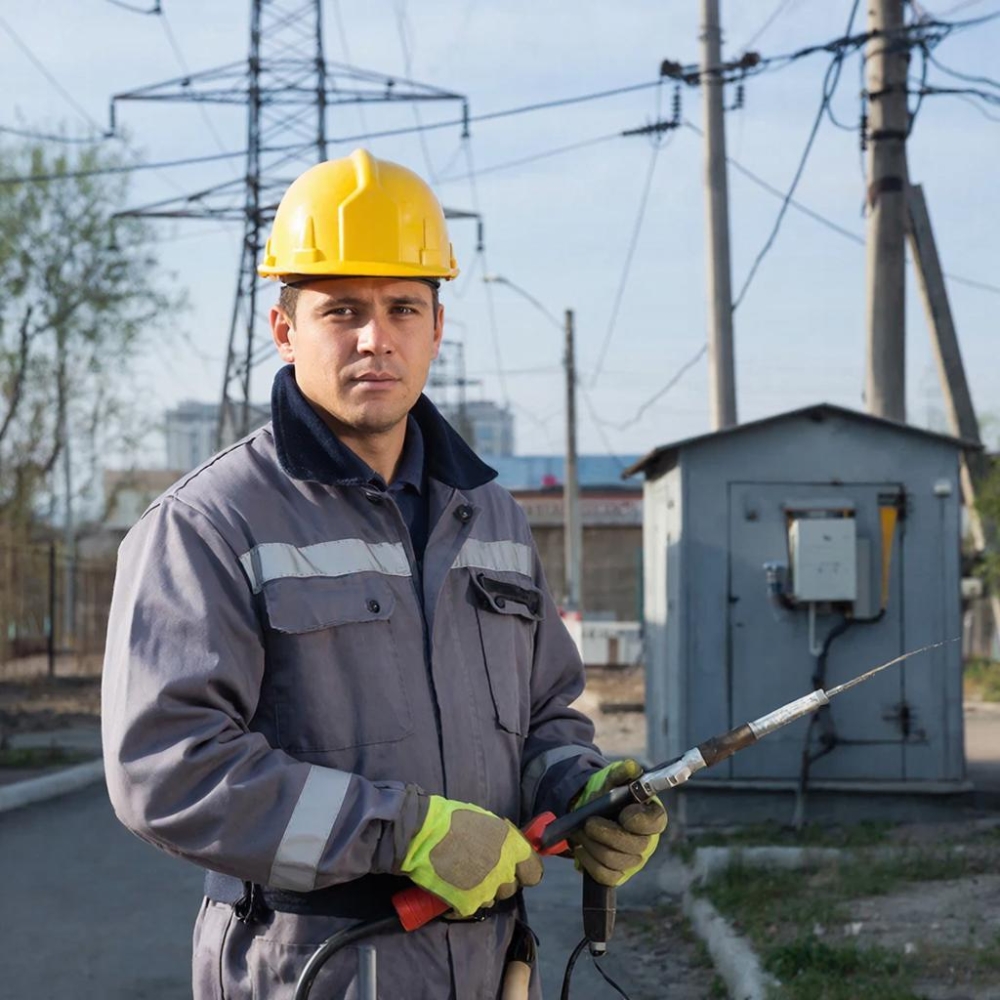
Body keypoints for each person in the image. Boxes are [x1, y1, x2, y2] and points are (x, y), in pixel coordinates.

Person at [101, 148, 666, 999]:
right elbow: (167, 768)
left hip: (486, 966)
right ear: (284, 330)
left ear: (436, 328)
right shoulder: (209, 523)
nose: (377, 338)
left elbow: (546, 713)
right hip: (312, 967)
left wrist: (578, 792)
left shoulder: (494, 517)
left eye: (404, 307)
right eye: (342, 311)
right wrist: (406, 834)